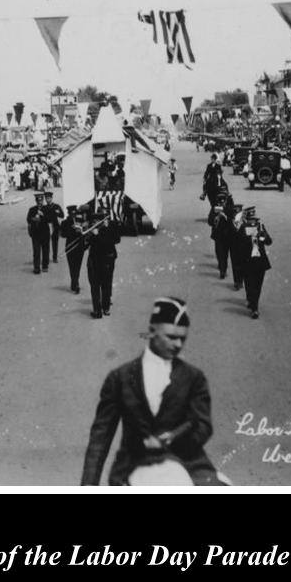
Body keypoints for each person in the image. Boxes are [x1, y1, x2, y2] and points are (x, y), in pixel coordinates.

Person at [81, 298, 222, 486]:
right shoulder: (120, 378)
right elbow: (100, 439)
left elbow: (203, 426)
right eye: (171, 337)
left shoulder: (193, 377)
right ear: (152, 332)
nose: (178, 344)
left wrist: (173, 439)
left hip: (189, 464)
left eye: (182, 338)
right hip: (133, 466)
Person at [237, 206, 272, 319]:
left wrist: (263, 237)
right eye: (251, 220)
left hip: (260, 262)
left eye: (255, 220)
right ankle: (254, 307)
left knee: (258, 285)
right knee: (249, 284)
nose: (253, 223)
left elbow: (269, 242)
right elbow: (238, 246)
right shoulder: (242, 228)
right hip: (248, 261)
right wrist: (249, 239)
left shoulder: (261, 227)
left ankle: (254, 304)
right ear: (246, 220)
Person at [86, 210, 120, 318]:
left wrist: (98, 235)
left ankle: (106, 308)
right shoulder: (92, 230)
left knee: (106, 285)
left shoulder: (110, 228)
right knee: (95, 286)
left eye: (99, 220)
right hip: (94, 261)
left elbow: (111, 242)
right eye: (94, 221)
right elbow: (87, 243)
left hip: (106, 261)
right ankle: (97, 310)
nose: (96, 223)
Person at [61, 206, 87, 294]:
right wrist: (73, 230)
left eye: (75, 214)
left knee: (77, 266)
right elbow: (63, 234)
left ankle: (75, 283)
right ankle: (75, 284)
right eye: (72, 214)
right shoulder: (65, 222)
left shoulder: (80, 221)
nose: (73, 216)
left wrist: (82, 228)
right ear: (68, 214)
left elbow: (85, 232)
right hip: (70, 247)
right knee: (72, 267)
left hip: (80, 247)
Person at [208, 194, 232, 281]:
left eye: (223, 201)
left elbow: (233, 220)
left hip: (227, 235)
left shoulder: (229, 209)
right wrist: (216, 217)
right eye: (220, 202)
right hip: (217, 235)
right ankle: (222, 268)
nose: (222, 203)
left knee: (225, 253)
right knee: (219, 252)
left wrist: (225, 217)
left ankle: (223, 269)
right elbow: (209, 221)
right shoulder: (214, 209)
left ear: (226, 201)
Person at [27, 192, 50, 274]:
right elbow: (28, 219)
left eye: (41, 201)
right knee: (36, 251)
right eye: (38, 201)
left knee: (45, 250)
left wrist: (43, 215)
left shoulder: (47, 209)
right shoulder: (32, 209)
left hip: (45, 233)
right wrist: (34, 219)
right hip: (36, 233)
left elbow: (50, 219)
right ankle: (36, 267)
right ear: (36, 201)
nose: (39, 202)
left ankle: (45, 266)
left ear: (43, 201)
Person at [43, 192, 65, 263]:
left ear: (51, 198)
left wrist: (57, 212)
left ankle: (55, 257)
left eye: (49, 198)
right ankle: (47, 257)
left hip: (55, 226)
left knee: (55, 242)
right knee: (46, 242)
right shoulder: (44, 207)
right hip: (46, 226)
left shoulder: (56, 206)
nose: (47, 200)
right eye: (46, 198)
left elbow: (62, 215)